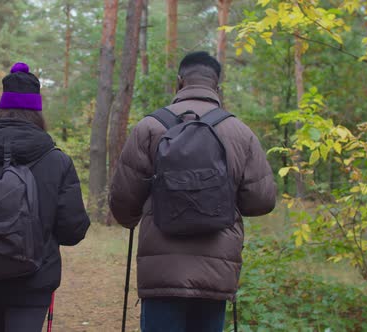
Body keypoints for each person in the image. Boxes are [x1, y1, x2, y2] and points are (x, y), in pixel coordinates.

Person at [109, 51, 276, 332]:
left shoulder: (150, 127)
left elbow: (123, 201)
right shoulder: (239, 131)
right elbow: (262, 200)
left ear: (179, 83)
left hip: (160, 272)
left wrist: (130, 219)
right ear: (217, 86)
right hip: (216, 272)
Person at [0, 62, 90, 332]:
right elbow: (72, 231)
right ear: (38, 112)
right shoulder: (57, 161)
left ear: (1, 108)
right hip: (35, 282)